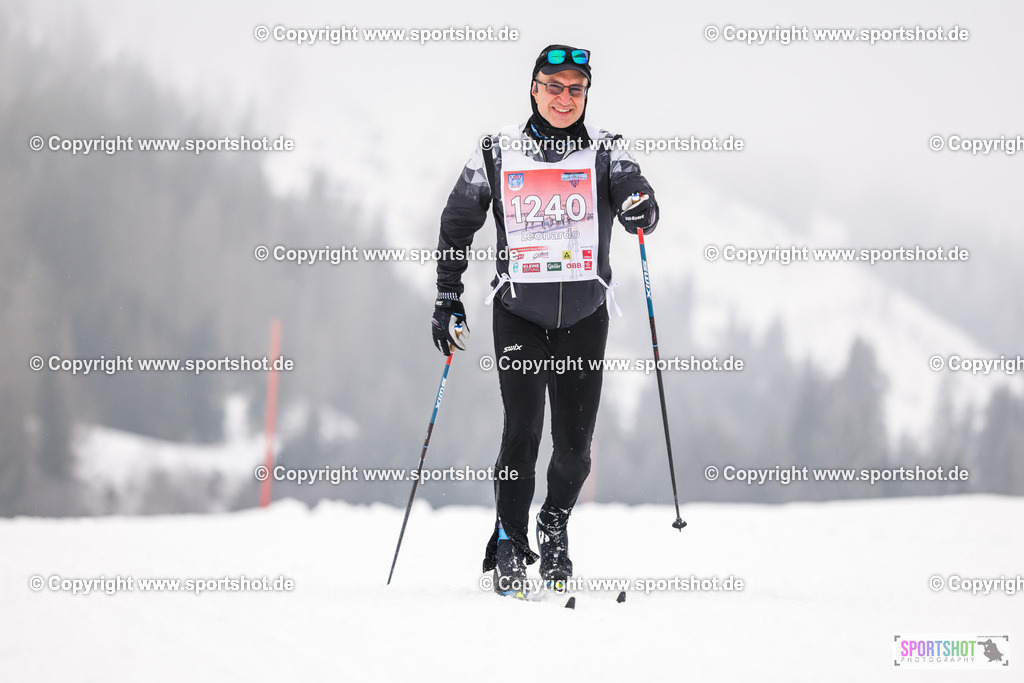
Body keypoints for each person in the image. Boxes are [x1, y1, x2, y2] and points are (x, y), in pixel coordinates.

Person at [430, 44, 659, 598]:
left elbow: (638, 194)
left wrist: (641, 207)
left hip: (584, 317)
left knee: (575, 449)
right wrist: (447, 296)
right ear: (533, 88)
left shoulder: (607, 150)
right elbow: (458, 220)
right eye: (552, 86)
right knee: (523, 432)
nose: (563, 98)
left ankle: (553, 522)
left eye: (575, 89)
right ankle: (509, 541)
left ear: (585, 95)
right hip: (519, 317)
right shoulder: (497, 150)